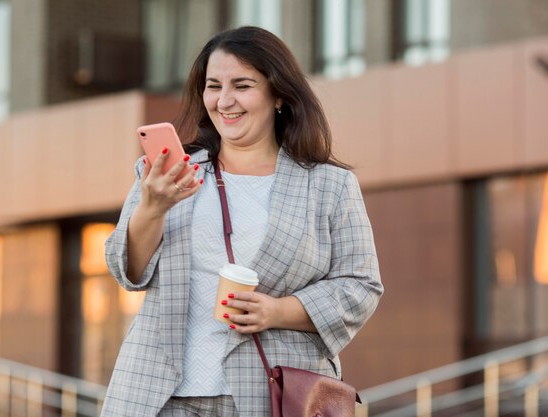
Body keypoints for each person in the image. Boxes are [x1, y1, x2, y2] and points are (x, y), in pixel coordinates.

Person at [101, 26, 383, 417]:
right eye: (214, 86)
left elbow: (361, 285)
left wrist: (278, 311)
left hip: (273, 391)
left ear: (279, 95)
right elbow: (126, 270)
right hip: (159, 393)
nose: (225, 100)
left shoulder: (329, 185)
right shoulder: (168, 171)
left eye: (243, 85)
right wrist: (152, 206)